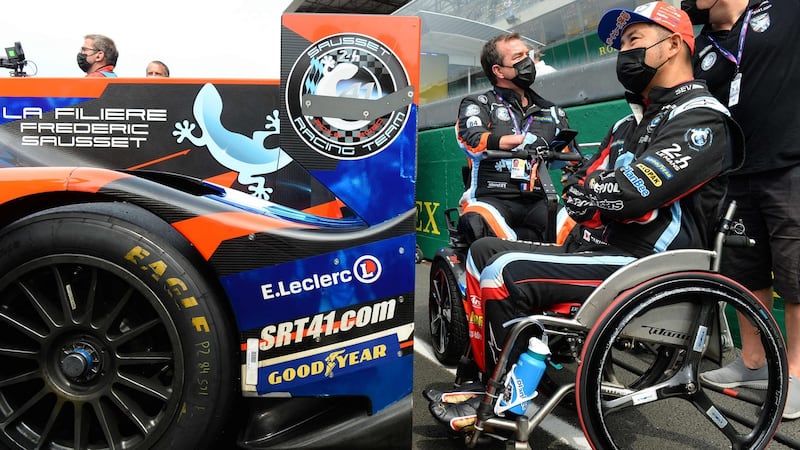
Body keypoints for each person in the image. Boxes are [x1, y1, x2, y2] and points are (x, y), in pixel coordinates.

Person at [428, 1, 745, 431]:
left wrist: (597, 191)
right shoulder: (627, 125)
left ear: (672, 46)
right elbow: (583, 185)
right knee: (482, 250)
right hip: (595, 244)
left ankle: (505, 406)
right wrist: (596, 191)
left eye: (634, 41)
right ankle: (490, 380)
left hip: (646, 263)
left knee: (504, 271)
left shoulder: (701, 116)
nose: (624, 54)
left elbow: (631, 191)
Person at [682, 0, 800, 419]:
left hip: (790, 166)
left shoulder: (785, 10)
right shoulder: (701, 46)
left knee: (795, 273)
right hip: (733, 174)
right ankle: (753, 361)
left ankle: (797, 373)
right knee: (744, 271)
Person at [455, 32, 578, 246]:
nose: (527, 61)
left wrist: (578, 193)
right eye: (518, 57)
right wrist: (508, 141)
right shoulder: (478, 103)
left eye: (527, 55)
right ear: (498, 70)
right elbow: (470, 138)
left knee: (577, 227)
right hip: (489, 198)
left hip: (540, 200)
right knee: (478, 223)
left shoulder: (552, 111)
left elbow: (573, 161)